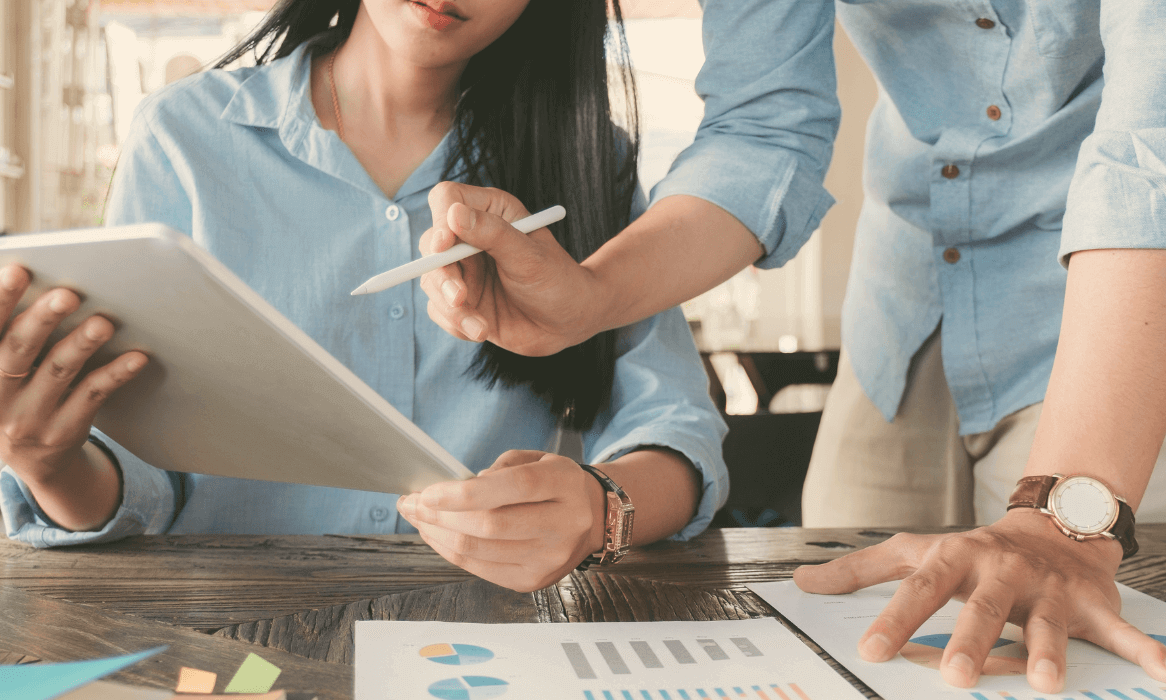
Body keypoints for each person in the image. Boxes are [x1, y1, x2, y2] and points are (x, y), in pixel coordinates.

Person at [416, 0, 1166, 693]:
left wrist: (1065, 523)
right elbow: (763, 126)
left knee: (1084, 663)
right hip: (910, 298)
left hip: (1150, 311)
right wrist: (592, 297)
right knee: (838, 646)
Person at [0, 0, 728, 594]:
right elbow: (141, 478)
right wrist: (49, 463)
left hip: (479, 640)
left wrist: (600, 510)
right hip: (226, 632)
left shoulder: (587, 157)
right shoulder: (185, 137)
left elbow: (675, 422)